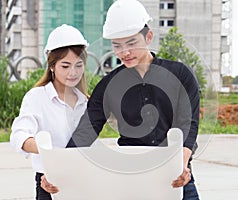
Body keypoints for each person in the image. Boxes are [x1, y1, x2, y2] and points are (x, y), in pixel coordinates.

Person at [43, 0, 200, 199]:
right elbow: (85, 132)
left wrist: (181, 164)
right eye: (117, 45)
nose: (124, 52)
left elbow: (188, 124)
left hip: (175, 175)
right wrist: (59, 171)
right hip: (130, 177)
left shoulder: (180, 75)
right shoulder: (108, 85)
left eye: (131, 43)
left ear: (148, 37)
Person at [10, 24, 89, 200]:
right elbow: (19, 136)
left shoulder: (86, 102)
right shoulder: (37, 97)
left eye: (78, 65)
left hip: (82, 181)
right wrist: (50, 153)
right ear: (52, 66)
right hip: (48, 183)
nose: (73, 73)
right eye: (65, 66)